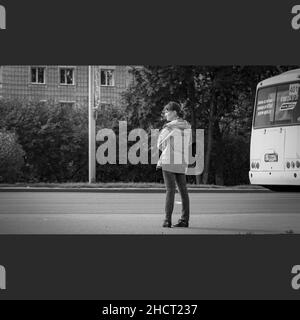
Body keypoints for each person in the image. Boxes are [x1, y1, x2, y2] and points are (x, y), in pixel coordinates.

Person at [156, 101, 192, 228]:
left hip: (169, 161)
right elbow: (188, 143)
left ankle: (167, 220)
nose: (165, 114)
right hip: (181, 161)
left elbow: (159, 144)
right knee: (183, 191)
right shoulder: (188, 126)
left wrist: (168, 147)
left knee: (170, 190)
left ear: (174, 112)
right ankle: (184, 220)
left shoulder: (169, 127)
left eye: (167, 111)